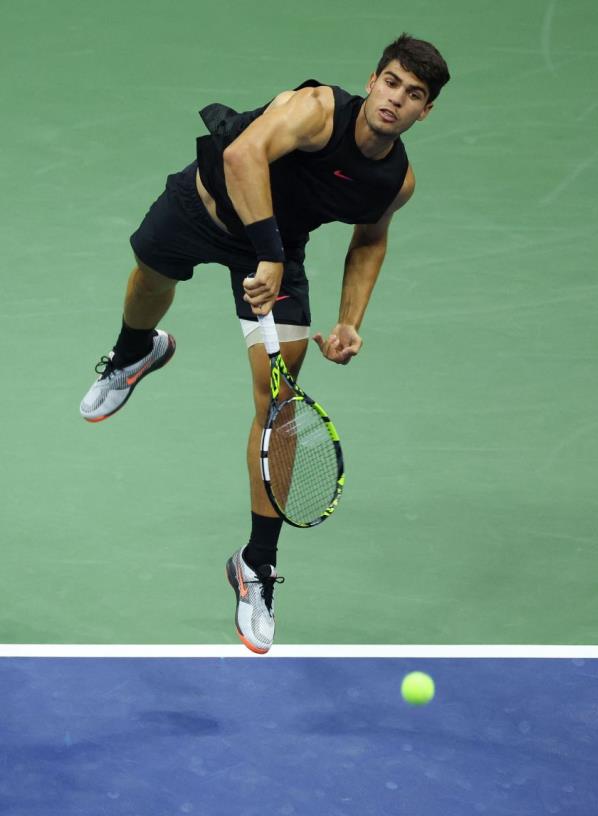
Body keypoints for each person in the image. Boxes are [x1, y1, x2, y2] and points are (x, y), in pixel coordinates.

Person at [79, 33, 450, 654]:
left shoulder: (394, 181)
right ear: (372, 79)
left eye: (413, 95)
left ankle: (256, 564)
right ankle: (135, 350)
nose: (396, 99)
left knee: (279, 406)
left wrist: (350, 317)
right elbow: (244, 155)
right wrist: (269, 255)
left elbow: (370, 238)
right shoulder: (316, 111)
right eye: (390, 82)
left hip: (282, 255)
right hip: (205, 207)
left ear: (424, 112)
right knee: (149, 274)